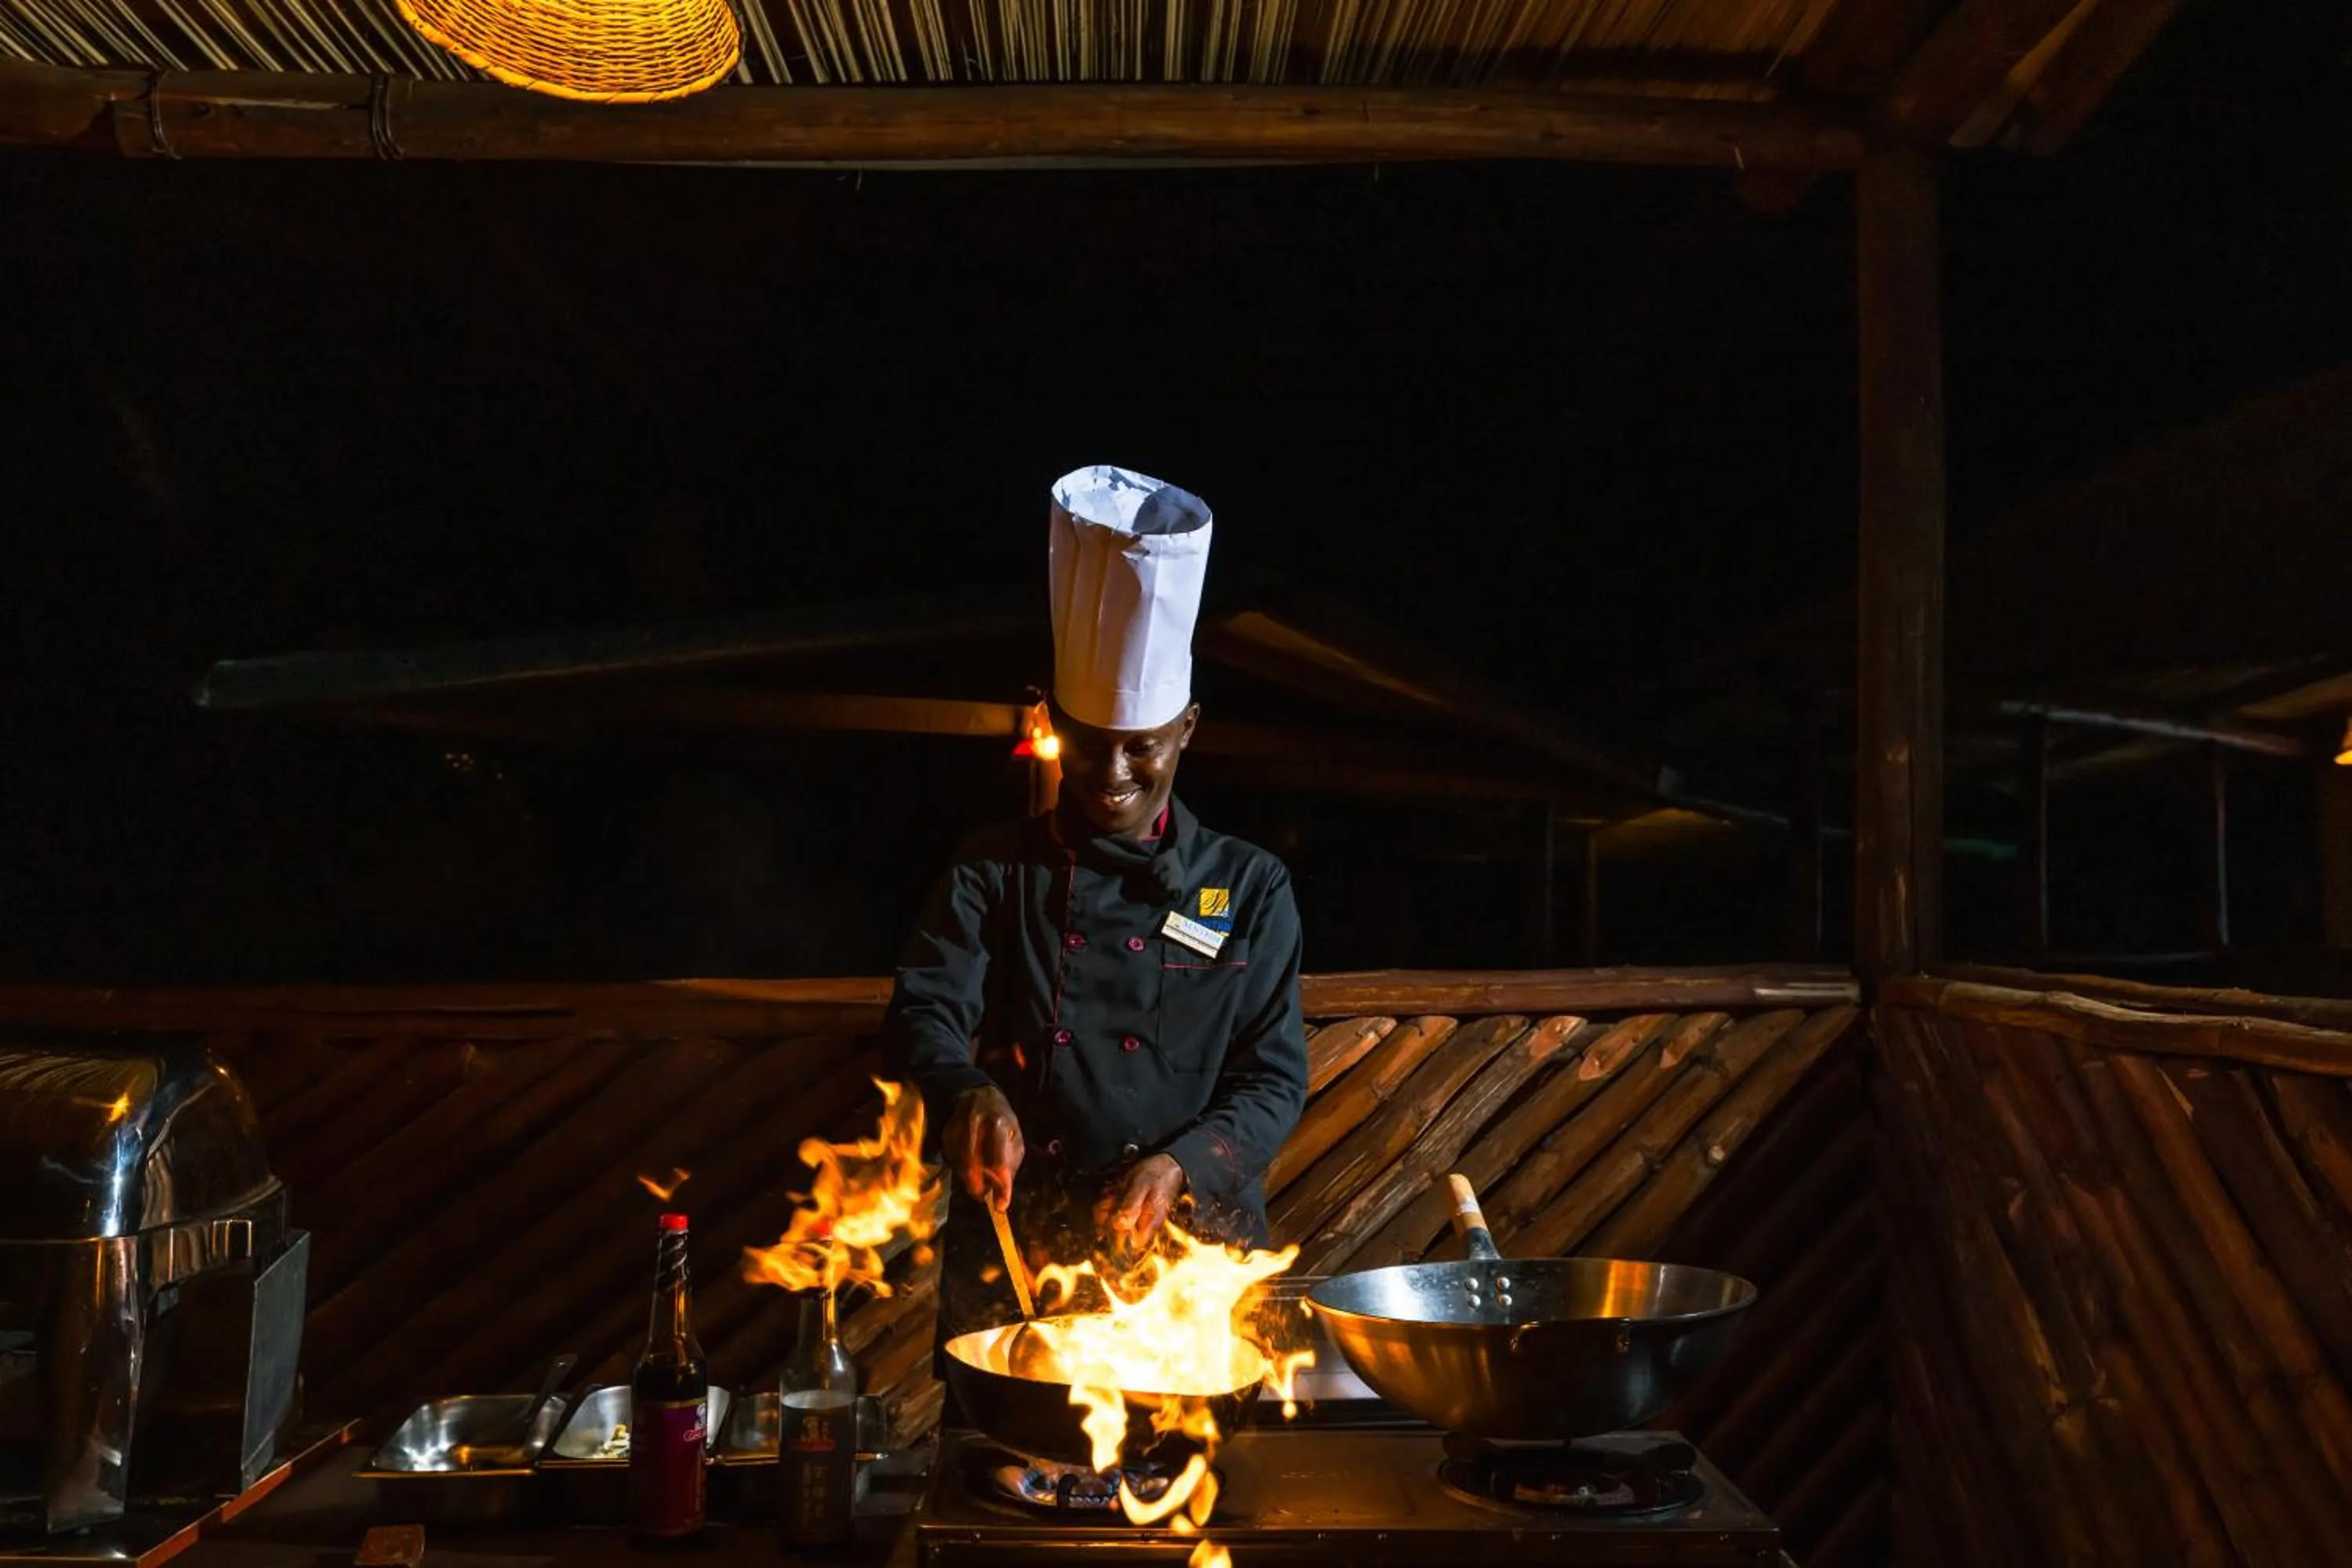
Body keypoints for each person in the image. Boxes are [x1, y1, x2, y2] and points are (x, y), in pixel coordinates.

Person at [881, 464, 1310, 1378]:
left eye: (1141, 745)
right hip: (1020, 1247)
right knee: (1005, 1475)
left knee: (1188, 1495)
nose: (1111, 769)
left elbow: (1273, 1080)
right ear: (1054, 726)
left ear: (1187, 729)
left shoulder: (1248, 885)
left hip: (1191, 1256)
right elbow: (924, 1010)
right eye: (1088, 740)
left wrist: (1182, 1164)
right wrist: (968, 1092)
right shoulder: (994, 868)